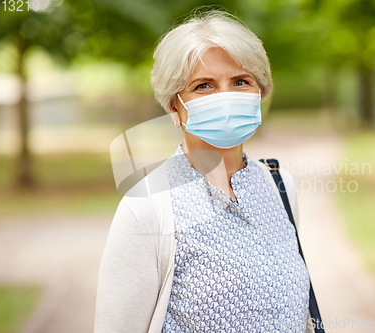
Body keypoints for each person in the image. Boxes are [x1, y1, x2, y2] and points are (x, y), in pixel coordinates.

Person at [94, 9, 313, 333]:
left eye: (240, 81)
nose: (226, 97)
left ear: (259, 93)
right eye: (204, 86)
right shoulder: (147, 206)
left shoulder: (278, 185)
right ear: (174, 106)